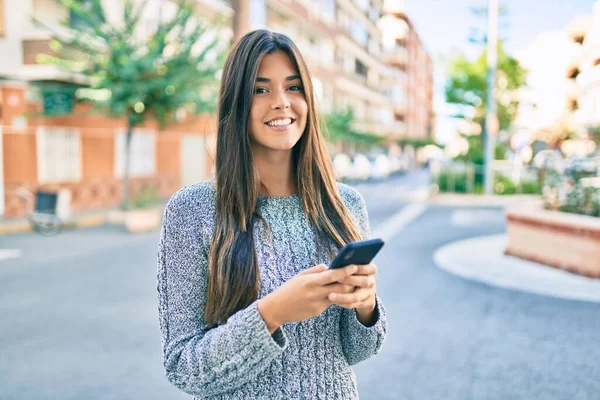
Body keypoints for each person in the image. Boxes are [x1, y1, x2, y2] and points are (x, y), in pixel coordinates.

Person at [157, 29, 387, 400]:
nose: (281, 102)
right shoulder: (193, 210)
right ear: (236, 103)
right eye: (261, 90)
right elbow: (184, 367)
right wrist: (272, 313)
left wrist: (366, 306)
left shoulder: (345, 204)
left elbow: (358, 350)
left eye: (293, 87)